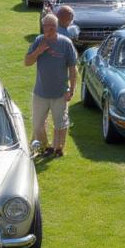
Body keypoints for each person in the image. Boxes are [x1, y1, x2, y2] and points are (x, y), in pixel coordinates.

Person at [23, 12, 78, 159]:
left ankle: (58, 148)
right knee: (37, 124)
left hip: (60, 93)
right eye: (45, 27)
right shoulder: (38, 41)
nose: (48, 30)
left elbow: (73, 69)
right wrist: (38, 51)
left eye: (51, 27)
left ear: (56, 27)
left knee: (60, 124)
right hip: (40, 92)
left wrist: (71, 90)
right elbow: (27, 62)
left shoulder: (65, 43)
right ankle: (45, 146)